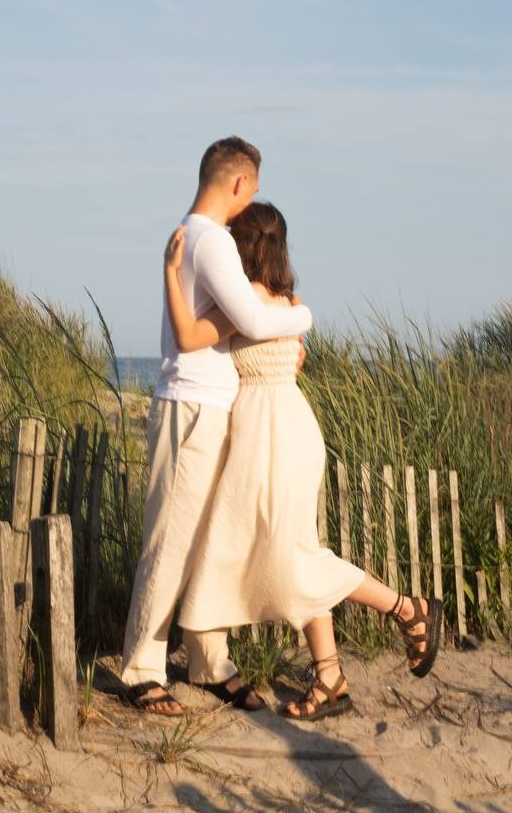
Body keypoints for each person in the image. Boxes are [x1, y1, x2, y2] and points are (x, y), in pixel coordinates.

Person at [166, 201, 443, 722]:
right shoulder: (290, 300)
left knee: (295, 559)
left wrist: (168, 273)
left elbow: (190, 338)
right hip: (289, 427)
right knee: (296, 551)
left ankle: (408, 608)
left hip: (269, 436)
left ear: (241, 248)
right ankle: (331, 676)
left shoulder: (239, 300)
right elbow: (284, 349)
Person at [119, 137, 315, 716]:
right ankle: (140, 669)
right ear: (237, 183)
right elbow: (254, 319)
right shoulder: (210, 242)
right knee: (172, 541)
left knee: (209, 544)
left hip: (211, 403)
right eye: (252, 187)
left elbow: (217, 330)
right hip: (192, 405)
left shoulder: (199, 240)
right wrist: (304, 314)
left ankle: (208, 661)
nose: (252, 198)